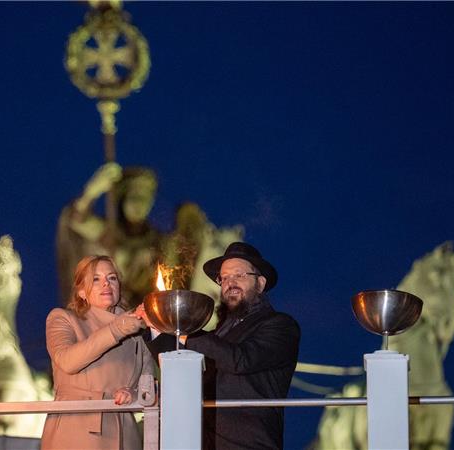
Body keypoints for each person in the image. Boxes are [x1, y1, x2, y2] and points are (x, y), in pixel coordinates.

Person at [142, 242, 300, 450]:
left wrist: (185, 329)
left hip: (249, 445)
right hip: (202, 442)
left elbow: (240, 359)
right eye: (224, 278)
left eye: (239, 275)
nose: (230, 283)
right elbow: (179, 360)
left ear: (260, 284)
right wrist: (156, 325)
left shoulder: (280, 325)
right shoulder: (220, 332)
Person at [41, 255, 154, 450]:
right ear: (81, 292)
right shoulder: (63, 318)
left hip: (125, 433)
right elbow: (67, 361)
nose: (106, 284)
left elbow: (148, 388)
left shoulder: (137, 332)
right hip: (76, 429)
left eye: (112, 278)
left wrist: (133, 394)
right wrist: (117, 329)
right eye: (95, 279)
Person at [56, 162, 160, 309]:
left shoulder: (157, 241)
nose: (139, 204)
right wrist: (91, 192)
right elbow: (76, 219)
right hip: (104, 315)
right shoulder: (107, 233)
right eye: (134, 197)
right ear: (123, 199)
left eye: (145, 198)